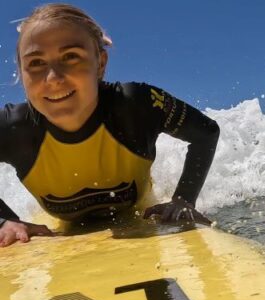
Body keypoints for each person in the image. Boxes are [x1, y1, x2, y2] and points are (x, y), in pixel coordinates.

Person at [0, 4, 219, 247]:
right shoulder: (12, 128)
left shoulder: (135, 105)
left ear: (101, 63)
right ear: (22, 73)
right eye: (36, 63)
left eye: (71, 56)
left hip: (138, 208)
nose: (53, 79)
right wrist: (6, 220)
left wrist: (183, 200)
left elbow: (206, 132)